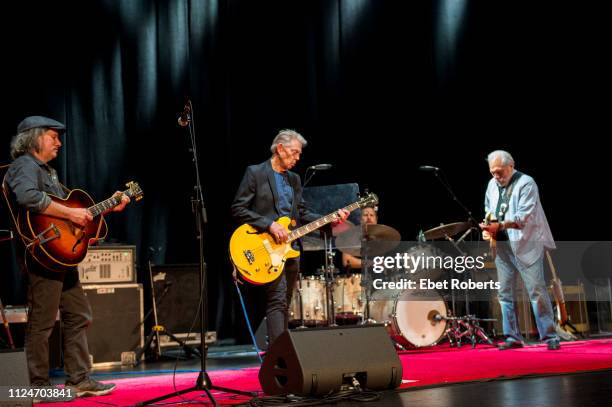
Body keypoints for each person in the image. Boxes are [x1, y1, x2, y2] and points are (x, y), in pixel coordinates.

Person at [3, 116, 129, 396]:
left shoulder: (49, 172)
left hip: (60, 255)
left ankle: (79, 379)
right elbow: (27, 197)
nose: (59, 142)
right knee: (43, 322)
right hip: (43, 255)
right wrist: (71, 213)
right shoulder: (24, 165)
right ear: (34, 138)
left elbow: (74, 213)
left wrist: (107, 207)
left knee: (78, 314)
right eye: (53, 136)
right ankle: (37, 386)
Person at [231, 129, 348, 346]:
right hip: (264, 247)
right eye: (294, 153)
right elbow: (238, 208)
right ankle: (279, 354)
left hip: (290, 249)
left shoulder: (294, 180)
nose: (297, 158)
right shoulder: (255, 173)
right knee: (276, 300)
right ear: (280, 149)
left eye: (299, 154)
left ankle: (279, 351)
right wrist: (269, 224)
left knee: (284, 302)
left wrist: (329, 220)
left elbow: (301, 214)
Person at [479, 150, 560, 350]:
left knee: (536, 292)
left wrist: (500, 226)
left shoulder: (526, 183)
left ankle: (550, 336)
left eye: (500, 172)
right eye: (492, 172)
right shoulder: (491, 185)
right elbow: (489, 210)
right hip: (503, 247)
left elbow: (524, 218)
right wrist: (488, 228)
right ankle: (513, 337)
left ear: (511, 165)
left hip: (527, 245)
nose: (496, 176)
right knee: (505, 294)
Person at [341, 204, 378, 270]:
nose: (369, 217)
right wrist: (373, 263)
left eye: (372, 215)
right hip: (357, 277)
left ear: (376, 219)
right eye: (365, 215)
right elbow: (346, 261)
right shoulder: (351, 235)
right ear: (360, 219)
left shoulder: (384, 235)